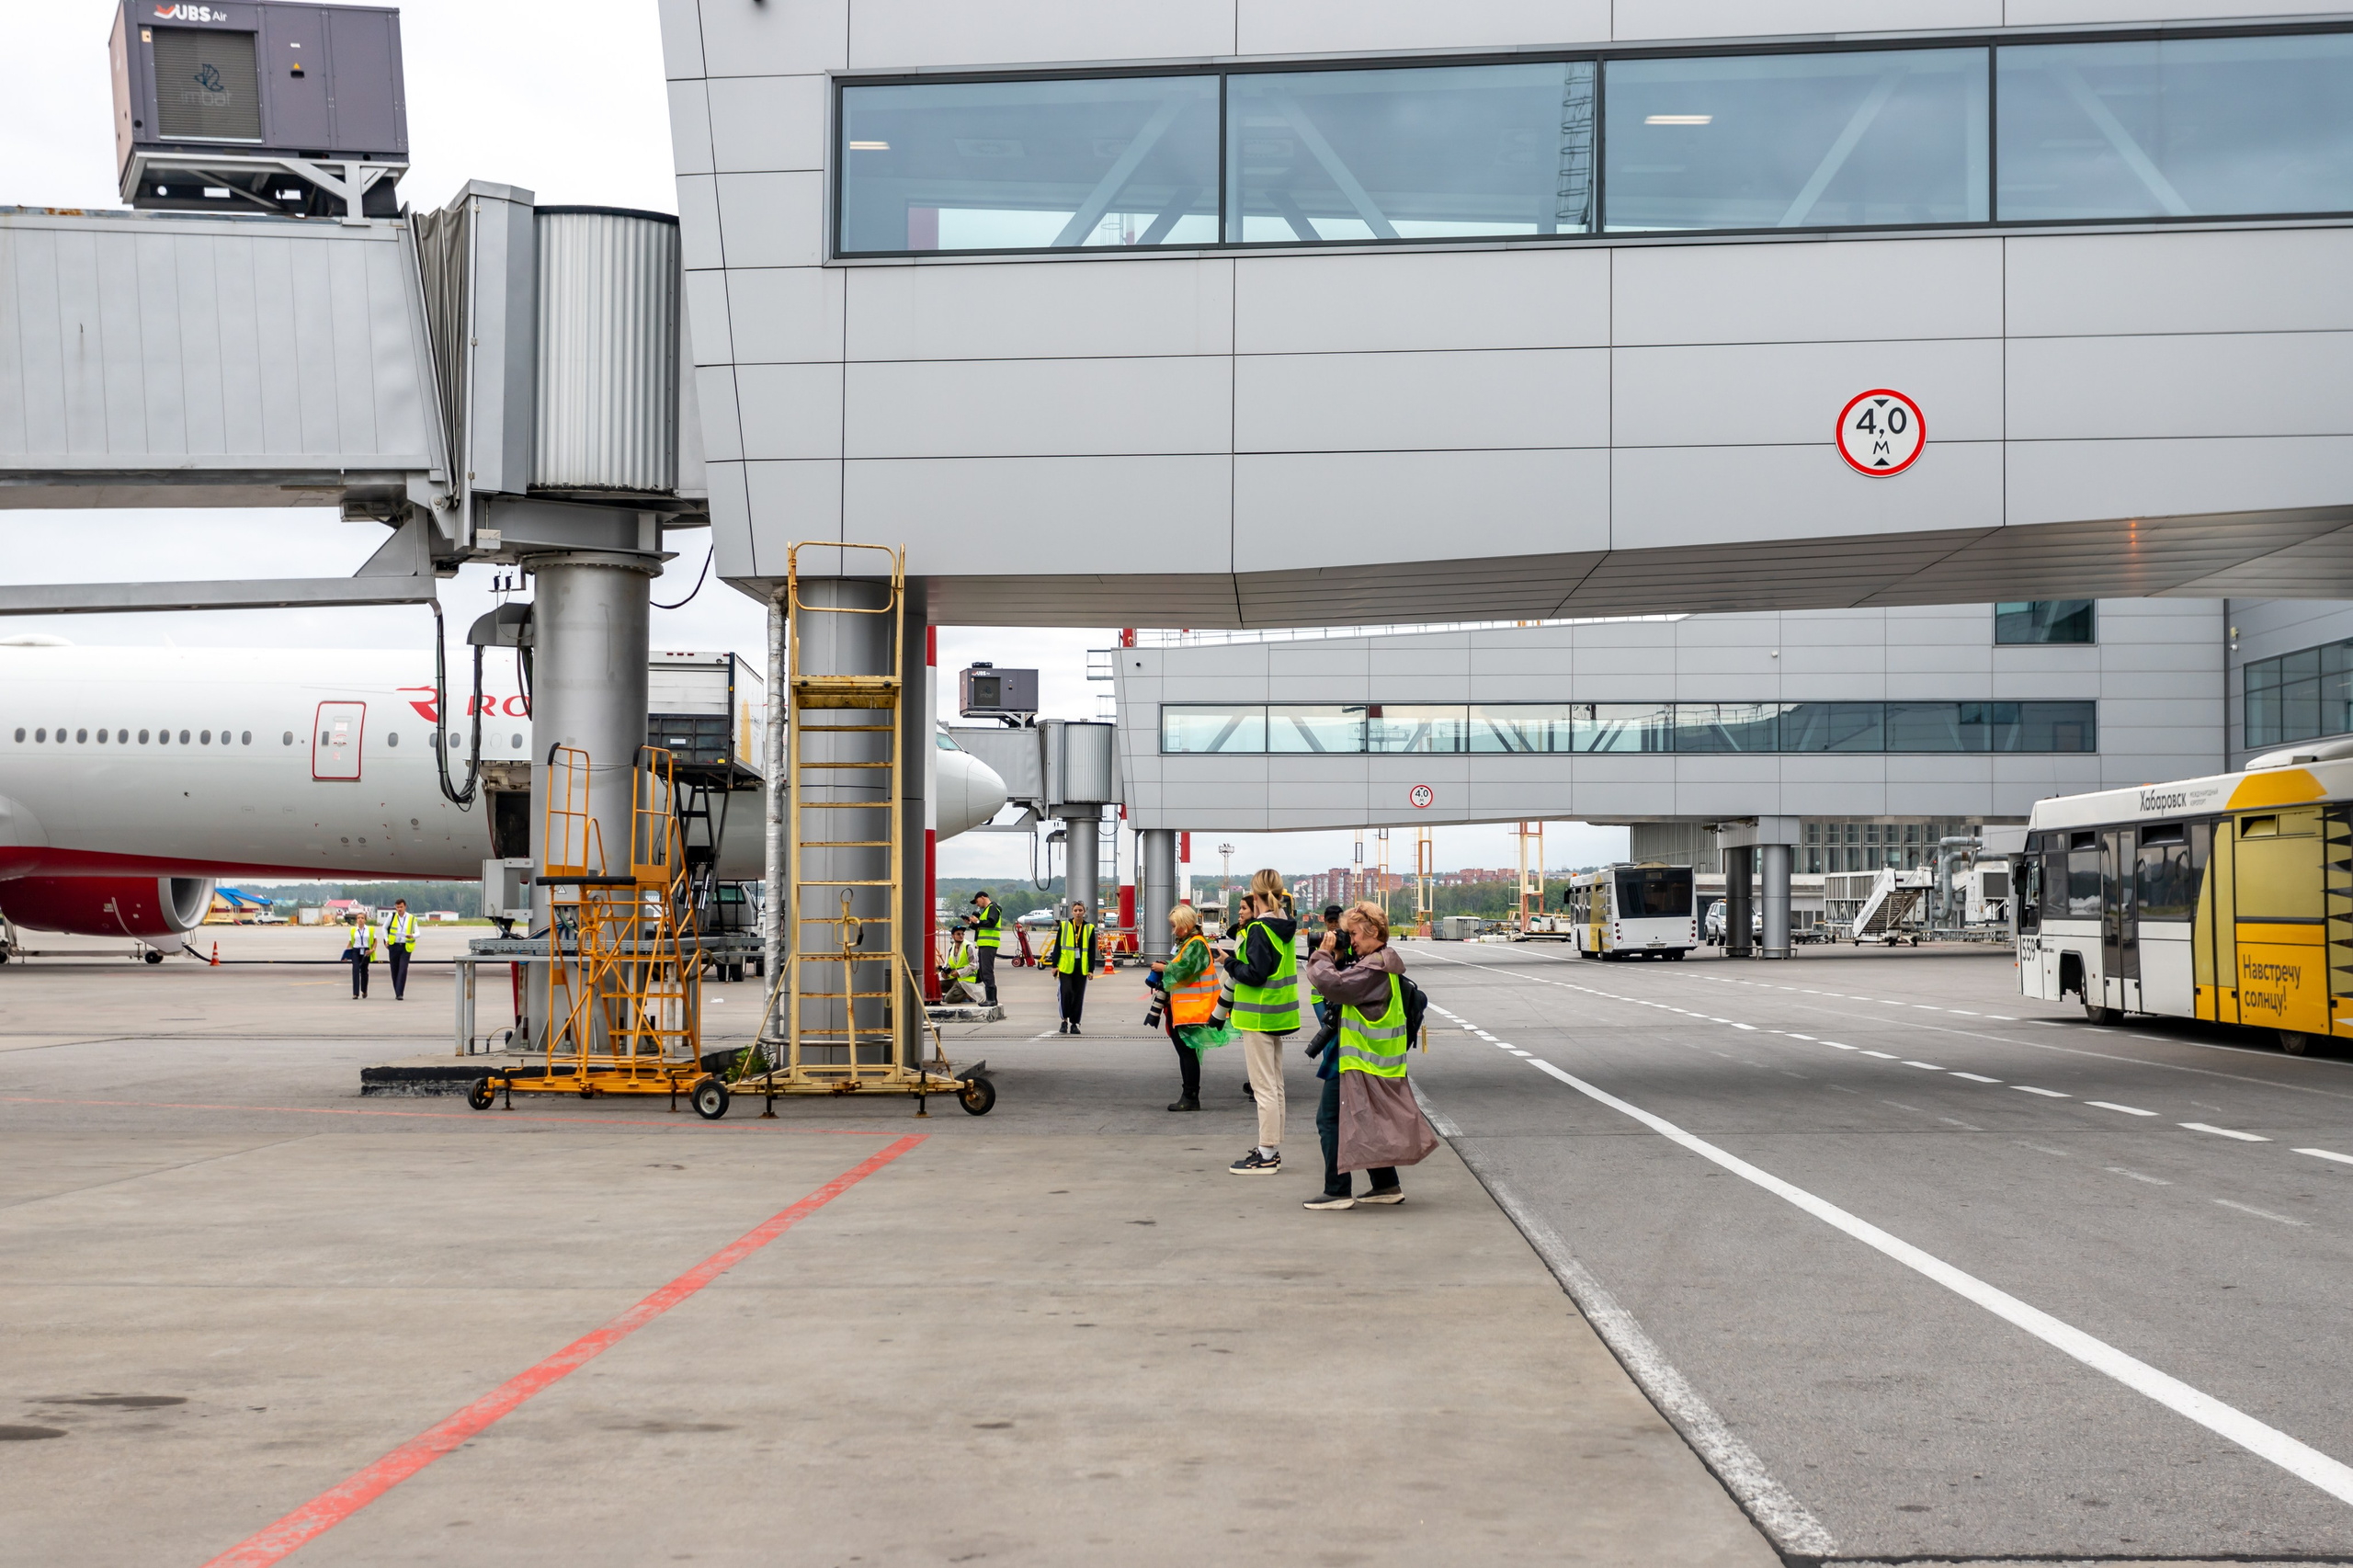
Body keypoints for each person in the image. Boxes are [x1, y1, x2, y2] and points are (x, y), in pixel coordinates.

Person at [1302, 901, 1409, 1210]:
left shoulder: (1374, 968)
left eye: (1354, 934)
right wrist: (1339, 958)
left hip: (1357, 1060)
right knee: (1367, 1121)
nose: (1350, 940)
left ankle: (1337, 1191)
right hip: (1371, 1059)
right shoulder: (1382, 961)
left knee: (1329, 1120)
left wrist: (1322, 955)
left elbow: (1334, 986)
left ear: (1373, 931)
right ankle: (1385, 1184)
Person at [1224, 869, 1299, 1176]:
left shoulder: (1259, 929)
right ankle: (1271, 1148)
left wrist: (1229, 962)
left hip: (1257, 1015)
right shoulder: (1285, 926)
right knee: (1275, 1084)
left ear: (1255, 896)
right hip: (1279, 1013)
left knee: (1262, 1087)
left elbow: (1255, 974)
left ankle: (1266, 1154)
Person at [1153, 903, 1232, 1111]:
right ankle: (1189, 1095)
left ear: (1185, 925)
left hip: (1191, 1010)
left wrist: (1164, 968)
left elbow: (1184, 970)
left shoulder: (1195, 944)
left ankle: (1190, 1096)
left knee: (1187, 1054)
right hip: (1186, 1010)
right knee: (1187, 1054)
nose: (1173, 931)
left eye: (1175, 926)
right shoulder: (1190, 943)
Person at [1047, 899, 1097, 1035]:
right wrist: (1054, 965)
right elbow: (1057, 946)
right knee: (1066, 992)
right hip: (1065, 966)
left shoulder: (1089, 928)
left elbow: (1091, 951)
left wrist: (1091, 970)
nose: (1078, 913)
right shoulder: (1065, 926)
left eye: (1080, 910)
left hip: (1081, 968)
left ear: (1084, 912)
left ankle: (1074, 1023)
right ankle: (1064, 1020)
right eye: (1076, 910)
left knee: (1078, 996)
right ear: (1072, 912)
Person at [969, 891, 1003, 1005]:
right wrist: (973, 923)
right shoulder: (986, 911)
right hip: (984, 944)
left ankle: (991, 999)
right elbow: (983, 926)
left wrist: (978, 921)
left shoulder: (993, 908)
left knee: (987, 971)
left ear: (983, 897)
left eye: (977, 901)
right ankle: (991, 998)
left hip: (989, 944)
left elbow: (991, 923)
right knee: (983, 971)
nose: (977, 904)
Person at [385, 898, 417, 1001]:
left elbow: (418, 933)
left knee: (403, 969)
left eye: (401, 907)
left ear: (405, 907)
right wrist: (386, 939)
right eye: (397, 907)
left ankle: (400, 993)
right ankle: (397, 991)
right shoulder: (392, 916)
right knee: (394, 970)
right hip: (394, 946)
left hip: (405, 947)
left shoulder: (411, 918)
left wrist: (412, 935)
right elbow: (384, 928)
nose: (399, 909)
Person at [341, 911, 378, 1000]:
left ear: (365, 920)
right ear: (356, 920)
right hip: (356, 951)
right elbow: (350, 942)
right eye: (358, 918)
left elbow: (375, 941)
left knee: (364, 971)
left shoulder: (370, 930)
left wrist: (372, 950)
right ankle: (355, 993)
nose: (360, 920)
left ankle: (364, 990)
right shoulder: (353, 930)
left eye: (362, 918)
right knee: (355, 970)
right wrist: (345, 955)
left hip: (366, 951)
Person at [940, 924, 981, 1004]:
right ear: (953, 936)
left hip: (967, 980)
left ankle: (968, 995)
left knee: (949, 999)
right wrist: (944, 973)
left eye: (962, 934)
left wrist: (959, 972)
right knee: (936, 986)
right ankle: (958, 992)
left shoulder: (968, 947)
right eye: (958, 934)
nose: (961, 936)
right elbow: (948, 964)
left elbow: (974, 965)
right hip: (956, 979)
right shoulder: (951, 949)